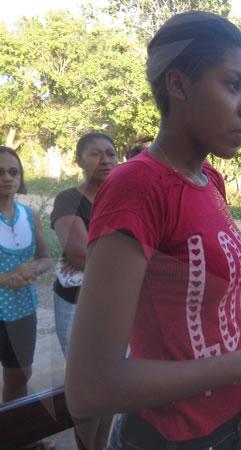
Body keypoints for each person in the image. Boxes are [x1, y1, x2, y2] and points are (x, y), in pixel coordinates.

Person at [66, 12, 241, 450]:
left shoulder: (210, 182)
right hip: (169, 438)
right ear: (179, 86)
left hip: (228, 427)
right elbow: (90, 386)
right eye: (233, 84)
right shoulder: (137, 187)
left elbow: (217, 314)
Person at [50, 132, 118, 449]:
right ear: (79, 160)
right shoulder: (68, 200)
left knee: (112, 381)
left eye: (110, 153)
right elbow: (78, 254)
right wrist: (131, 258)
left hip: (118, 302)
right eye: (95, 154)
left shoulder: (125, 197)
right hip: (77, 303)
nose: (104, 160)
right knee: (86, 383)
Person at [0, 147, 52, 448]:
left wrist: (33, 268)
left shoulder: (29, 215)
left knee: (20, 376)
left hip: (23, 311)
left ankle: (16, 438)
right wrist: (6, 278)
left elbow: (46, 258)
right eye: (0, 172)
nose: (7, 178)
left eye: (13, 171)